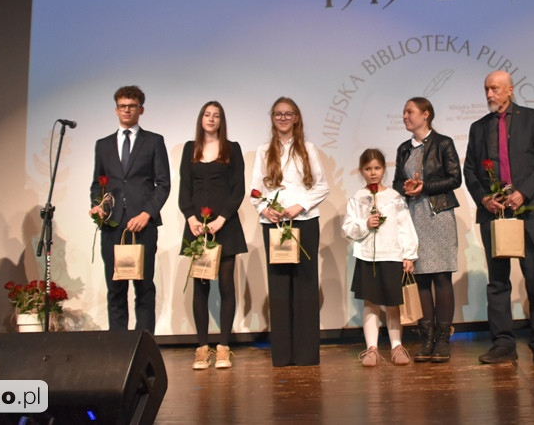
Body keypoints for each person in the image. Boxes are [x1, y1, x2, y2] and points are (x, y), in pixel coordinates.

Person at [464, 71, 534, 365]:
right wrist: (485, 198)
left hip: (529, 210)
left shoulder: (532, 118)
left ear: (510, 90)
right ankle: (503, 343)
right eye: (486, 89)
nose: (490, 94)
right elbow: (470, 171)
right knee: (498, 281)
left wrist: (523, 193)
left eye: (495, 89)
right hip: (495, 212)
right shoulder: (479, 128)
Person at [250, 97, 328, 366]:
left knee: (305, 286)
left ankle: (306, 354)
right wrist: (265, 209)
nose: (283, 118)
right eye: (278, 114)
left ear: (296, 118)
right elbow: (255, 191)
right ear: (272, 118)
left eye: (288, 114)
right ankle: (282, 355)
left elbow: (322, 186)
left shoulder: (308, 148)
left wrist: (299, 206)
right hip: (274, 225)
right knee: (280, 287)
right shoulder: (263, 151)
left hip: (304, 221)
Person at [89, 85, 171, 333]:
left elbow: (163, 184)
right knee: (116, 288)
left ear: (141, 109)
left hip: (142, 225)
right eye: (122, 106)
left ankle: (143, 346)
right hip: (112, 225)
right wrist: (97, 206)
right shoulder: (103, 145)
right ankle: (118, 349)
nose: (127, 110)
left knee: (144, 287)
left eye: (132, 106)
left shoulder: (154, 141)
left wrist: (147, 213)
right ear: (116, 110)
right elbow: (97, 183)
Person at [391, 97, 461, 362]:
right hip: (413, 215)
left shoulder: (443, 143)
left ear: (426, 114)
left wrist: (425, 187)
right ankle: (427, 338)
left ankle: (443, 339)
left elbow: (456, 178)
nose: (406, 116)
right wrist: (406, 188)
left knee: (441, 276)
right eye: (404, 112)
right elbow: (397, 182)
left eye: (410, 112)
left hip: (438, 214)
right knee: (420, 276)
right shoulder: (403, 149)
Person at [179, 101, 246, 369]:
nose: (211, 119)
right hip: (197, 226)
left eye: (216, 115)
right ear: (201, 118)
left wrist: (221, 219)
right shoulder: (189, 148)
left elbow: (238, 189)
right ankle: (202, 347)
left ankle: (224, 347)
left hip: (224, 224)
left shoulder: (233, 148)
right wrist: (190, 217)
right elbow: (184, 186)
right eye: (207, 114)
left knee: (227, 284)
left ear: (221, 121)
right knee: (201, 285)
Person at [344, 149, 418, 367]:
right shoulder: (358, 198)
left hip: (392, 255)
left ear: (384, 169)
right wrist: (365, 224)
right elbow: (348, 228)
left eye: (377, 168)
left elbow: (405, 227)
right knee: (371, 303)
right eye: (368, 169)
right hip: (368, 257)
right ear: (361, 171)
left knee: (393, 303)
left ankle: (396, 346)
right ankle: (372, 349)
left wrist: (409, 255)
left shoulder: (394, 198)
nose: (373, 173)